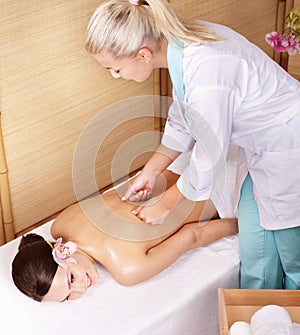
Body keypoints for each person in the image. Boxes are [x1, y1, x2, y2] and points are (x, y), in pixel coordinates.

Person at [84, 0, 300, 289]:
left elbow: (209, 155)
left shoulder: (206, 68)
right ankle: (261, 314)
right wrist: (150, 171)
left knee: (291, 252)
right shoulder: (183, 46)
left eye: (115, 69)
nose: (114, 76)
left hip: (287, 145)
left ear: (143, 54)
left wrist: (165, 204)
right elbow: (184, 119)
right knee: (255, 243)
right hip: (263, 147)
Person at [12, 170, 238, 302]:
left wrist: (243, 225)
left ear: (60, 251)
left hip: (222, 190)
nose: (82, 288)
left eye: (71, 279)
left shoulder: (127, 269)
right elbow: (144, 186)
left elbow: (193, 235)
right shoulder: (62, 222)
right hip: (190, 165)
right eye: (68, 297)